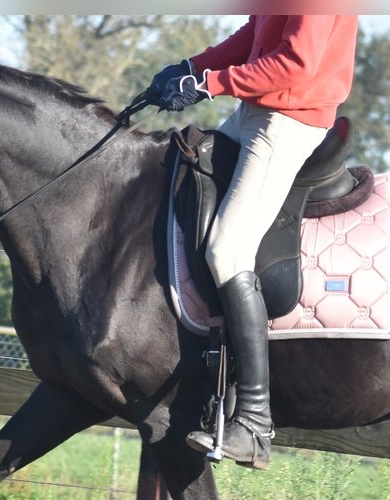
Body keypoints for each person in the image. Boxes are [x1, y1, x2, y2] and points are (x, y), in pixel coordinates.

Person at [148, 15, 360, 470]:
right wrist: (190, 66)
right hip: (251, 111)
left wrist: (208, 83)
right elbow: (256, 34)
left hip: (289, 119)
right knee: (177, 191)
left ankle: (255, 423)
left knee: (227, 249)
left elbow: (296, 65)